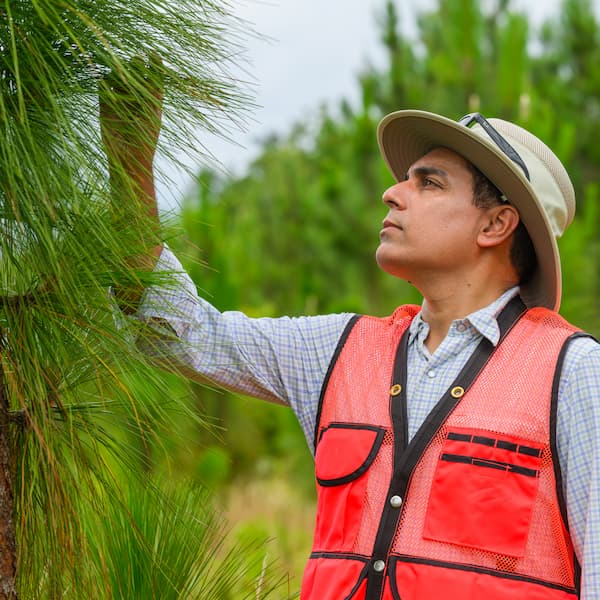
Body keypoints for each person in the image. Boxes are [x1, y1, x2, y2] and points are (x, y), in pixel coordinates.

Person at [100, 68, 600, 599]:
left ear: (495, 225)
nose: (391, 193)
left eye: (427, 183)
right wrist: (130, 166)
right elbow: (175, 331)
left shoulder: (573, 373)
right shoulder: (338, 352)